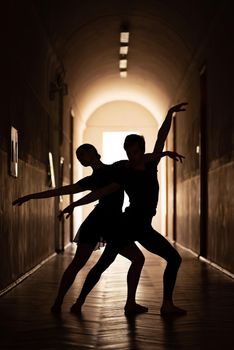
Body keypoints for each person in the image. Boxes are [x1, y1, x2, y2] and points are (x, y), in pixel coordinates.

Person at [60, 102, 188, 316]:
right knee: (103, 263)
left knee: (174, 259)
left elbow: (160, 137)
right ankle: (79, 301)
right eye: (129, 152)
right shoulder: (125, 173)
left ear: (142, 151)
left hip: (143, 227)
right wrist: (74, 203)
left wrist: (169, 115)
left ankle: (163, 304)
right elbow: (101, 192)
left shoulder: (151, 165)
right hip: (127, 224)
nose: (133, 156)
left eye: (136, 152)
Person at [12, 144, 147, 315]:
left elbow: (142, 159)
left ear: (93, 152)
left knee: (134, 259)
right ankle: (59, 301)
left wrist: (162, 153)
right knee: (79, 263)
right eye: (77, 156)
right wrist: (30, 196)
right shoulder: (92, 179)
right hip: (100, 222)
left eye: (82, 154)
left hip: (110, 223)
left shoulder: (117, 167)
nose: (79, 158)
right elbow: (61, 190)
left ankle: (126, 303)